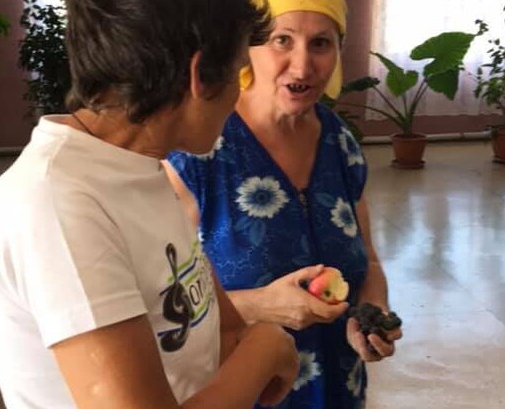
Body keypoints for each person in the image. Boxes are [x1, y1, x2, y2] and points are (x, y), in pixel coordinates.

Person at [0, 1, 300, 408]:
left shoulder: (137, 167)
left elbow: (222, 331)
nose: (239, 94)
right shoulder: (57, 205)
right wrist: (266, 349)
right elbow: (249, 347)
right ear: (199, 75)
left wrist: (254, 341)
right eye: (238, 74)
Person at [166, 0, 403, 407]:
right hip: (243, 393)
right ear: (248, 47)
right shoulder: (198, 152)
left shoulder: (339, 142)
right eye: (282, 40)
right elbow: (163, 310)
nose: (302, 65)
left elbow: (368, 261)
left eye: (321, 44)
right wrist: (258, 306)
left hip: (338, 390)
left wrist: (371, 312)